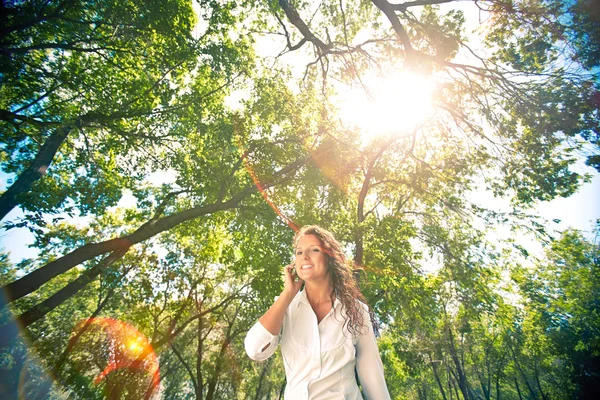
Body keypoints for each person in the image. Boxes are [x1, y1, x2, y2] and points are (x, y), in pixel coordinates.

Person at [244, 225, 391, 399]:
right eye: (299, 252)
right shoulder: (285, 307)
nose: (304, 256)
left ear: (332, 258)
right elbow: (255, 350)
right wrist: (287, 294)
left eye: (314, 250)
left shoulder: (356, 311)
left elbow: (372, 376)